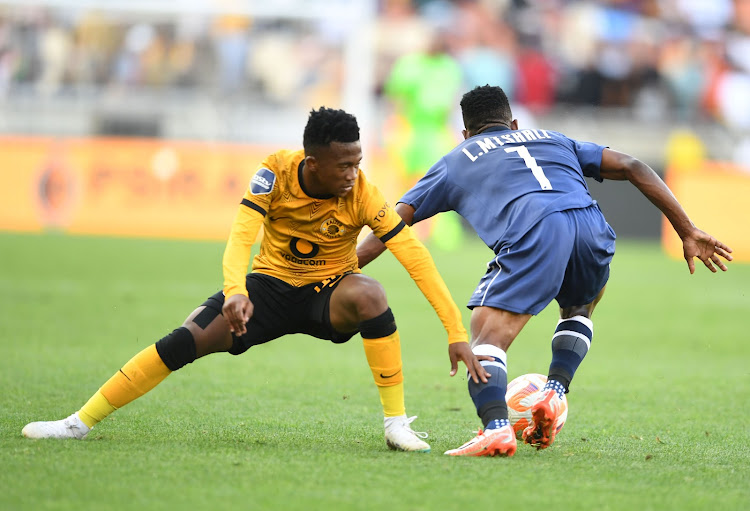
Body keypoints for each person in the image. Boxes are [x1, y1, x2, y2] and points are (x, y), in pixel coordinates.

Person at [22, 107, 489, 452]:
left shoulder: (364, 193)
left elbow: (416, 257)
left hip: (329, 294)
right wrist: (235, 292)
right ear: (312, 161)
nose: (353, 174)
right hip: (267, 290)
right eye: (343, 165)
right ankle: (79, 422)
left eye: (358, 162)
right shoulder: (275, 172)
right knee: (184, 340)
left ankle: (395, 425)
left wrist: (454, 332)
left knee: (371, 294)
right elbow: (240, 237)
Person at [357, 85, 733, 457]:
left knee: (487, 336)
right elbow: (634, 166)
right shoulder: (553, 138)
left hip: (533, 227)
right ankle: (554, 391)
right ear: (515, 123)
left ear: (466, 133)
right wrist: (687, 229)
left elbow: (391, 225)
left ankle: (496, 430)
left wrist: (342, 268)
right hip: (590, 225)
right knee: (579, 306)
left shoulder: (457, 158)